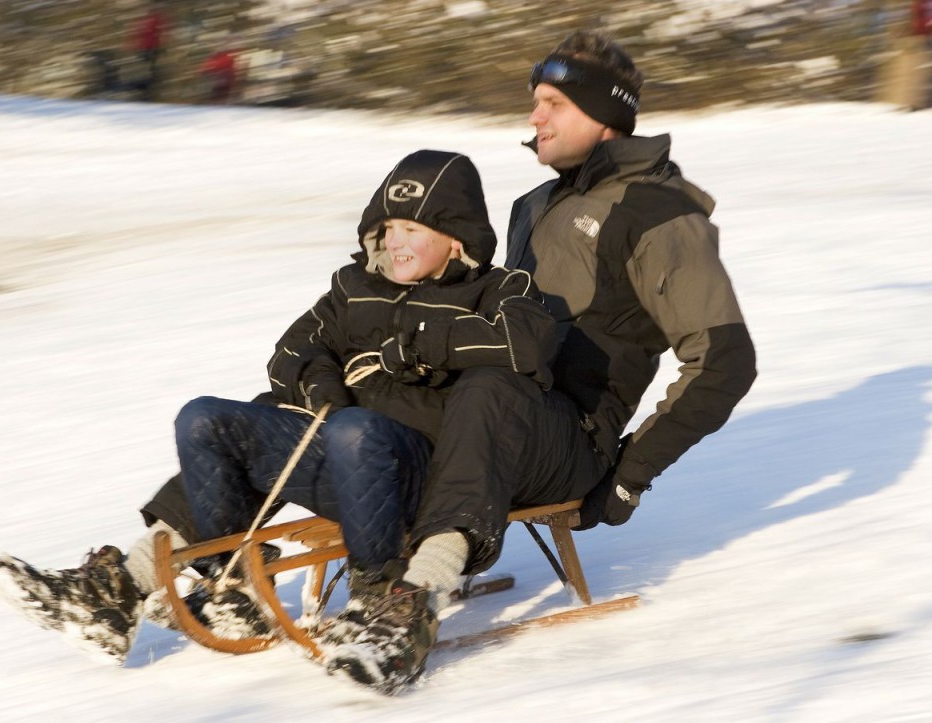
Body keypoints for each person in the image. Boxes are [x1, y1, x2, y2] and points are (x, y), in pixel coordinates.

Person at [0, 150, 557, 666]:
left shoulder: (495, 290)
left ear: (455, 236)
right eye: (390, 227)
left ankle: (377, 599)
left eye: (415, 227)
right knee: (207, 418)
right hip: (340, 455)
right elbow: (293, 350)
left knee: (357, 430)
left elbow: (526, 344)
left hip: (422, 476)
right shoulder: (354, 287)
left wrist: (414, 349)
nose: (397, 240)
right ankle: (185, 587)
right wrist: (323, 390)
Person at [321, 29, 757, 693]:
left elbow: (726, 359)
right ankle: (227, 556)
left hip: (565, 437)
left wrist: (629, 473)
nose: (534, 116)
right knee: (359, 384)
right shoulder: (536, 206)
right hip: (488, 421)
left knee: (492, 388)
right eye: (535, 101)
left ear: (603, 114)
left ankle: (409, 611)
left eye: (552, 102)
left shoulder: (659, 213)